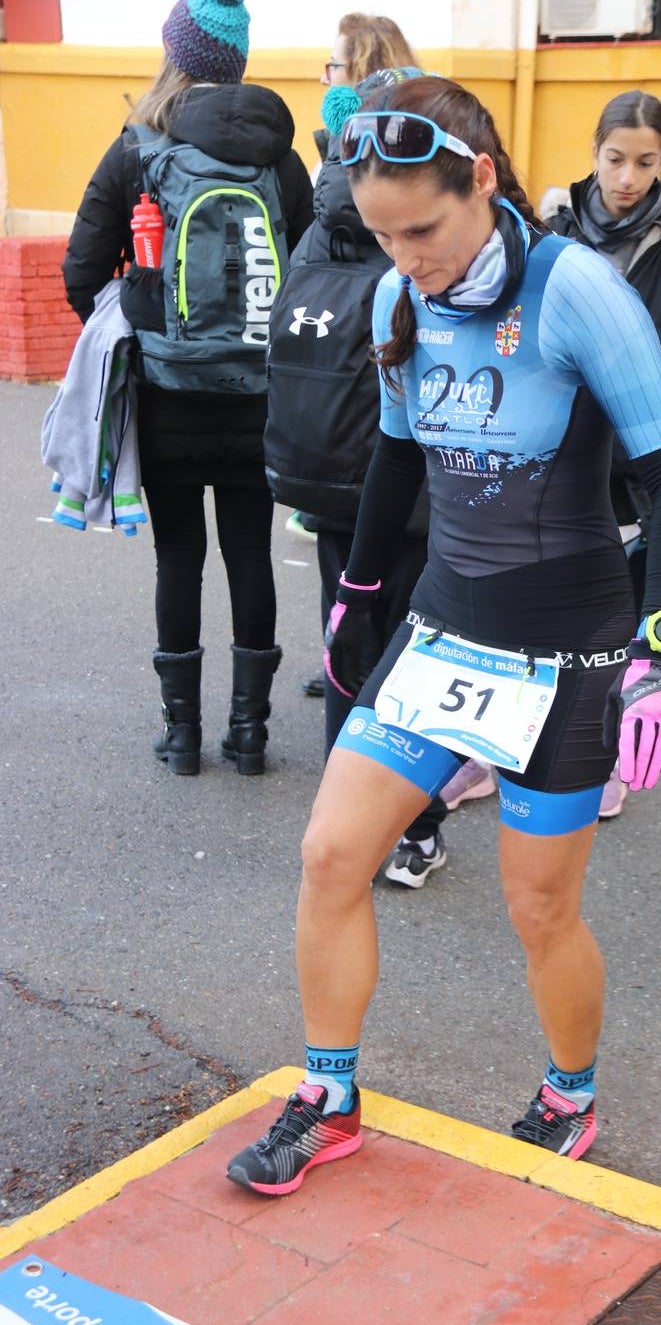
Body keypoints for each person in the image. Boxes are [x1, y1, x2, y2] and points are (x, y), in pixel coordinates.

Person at [226, 75, 661, 1196]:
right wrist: (356, 590)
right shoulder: (402, 297)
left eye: (424, 228)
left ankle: (569, 1095)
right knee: (332, 854)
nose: (409, 258)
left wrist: (659, 660)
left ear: (481, 180)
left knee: (540, 907)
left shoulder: (577, 291)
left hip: (568, 644)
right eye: (385, 234)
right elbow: (396, 458)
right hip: (445, 629)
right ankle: (331, 1098)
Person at [62, 0, 314, 775]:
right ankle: (251, 733)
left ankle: (182, 736)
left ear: (175, 55)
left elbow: (79, 268)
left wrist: (135, 321)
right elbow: (305, 270)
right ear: (236, 63)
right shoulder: (280, 154)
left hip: (168, 390)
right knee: (250, 555)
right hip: (257, 394)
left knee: (180, 557)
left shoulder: (138, 148)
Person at [285, 18, 493, 885]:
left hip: (335, 475)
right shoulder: (429, 244)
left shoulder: (322, 222)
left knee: (348, 639)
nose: (402, 256)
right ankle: (414, 825)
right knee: (423, 655)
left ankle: (348, 812)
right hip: (421, 483)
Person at [544, 89, 661, 816]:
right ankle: (509, 752)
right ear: (594, 153)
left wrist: (635, 444)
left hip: (642, 477)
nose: (628, 178)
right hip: (559, 468)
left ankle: (607, 758)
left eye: (645, 162)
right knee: (548, 617)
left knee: (621, 626)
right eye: (616, 159)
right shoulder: (554, 233)